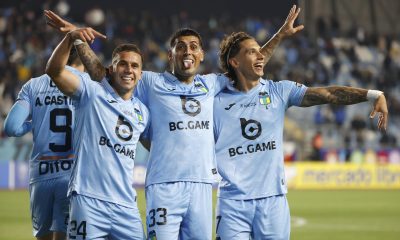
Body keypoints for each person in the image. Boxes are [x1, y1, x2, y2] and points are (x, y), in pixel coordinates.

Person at [44, 6, 303, 239]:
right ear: (171, 54)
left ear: (201, 55)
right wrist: (77, 37)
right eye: (180, 46)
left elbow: (249, 65)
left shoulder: (212, 84)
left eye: (193, 46)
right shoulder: (150, 81)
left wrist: (279, 35)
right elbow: (105, 76)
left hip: (202, 185)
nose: (187, 51)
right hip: (163, 185)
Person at [213, 31, 388, 239]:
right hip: (233, 203)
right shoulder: (213, 98)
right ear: (234, 62)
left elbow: (329, 94)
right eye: (252, 52)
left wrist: (372, 94)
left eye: (260, 52)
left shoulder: (279, 91)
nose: (261, 56)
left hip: (273, 201)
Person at [45, 27, 149, 239]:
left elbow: (155, 146)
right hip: (88, 201)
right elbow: (54, 71)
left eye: (134, 66)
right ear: (112, 68)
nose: (129, 69)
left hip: (126, 206)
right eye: (123, 64)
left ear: (140, 73)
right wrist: (70, 38)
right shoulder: (92, 92)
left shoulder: (143, 113)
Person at [3, 49, 86, 240]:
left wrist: (33, 123)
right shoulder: (86, 84)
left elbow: (12, 128)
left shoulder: (33, 85)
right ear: (81, 62)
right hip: (72, 176)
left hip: (41, 176)